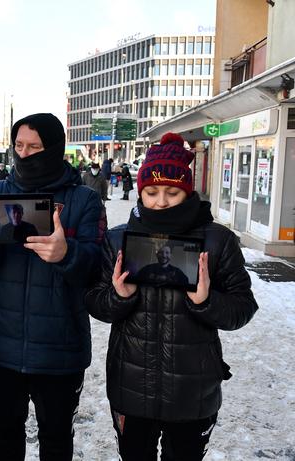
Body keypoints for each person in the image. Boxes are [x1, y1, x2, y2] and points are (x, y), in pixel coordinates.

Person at [85, 132, 258, 461]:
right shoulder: (117, 239)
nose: (160, 201)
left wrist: (206, 301)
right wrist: (118, 297)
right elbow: (95, 302)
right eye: (151, 192)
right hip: (130, 387)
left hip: (193, 391)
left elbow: (243, 307)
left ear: (187, 190)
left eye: (171, 192)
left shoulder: (218, 241)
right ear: (140, 190)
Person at [0, 113, 106, 460]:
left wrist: (66, 253)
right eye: (19, 146)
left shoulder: (83, 200)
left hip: (60, 351)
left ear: (54, 149)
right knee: (5, 437)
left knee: (56, 440)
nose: (25, 154)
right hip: (1, 347)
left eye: (35, 147)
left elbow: (96, 267)